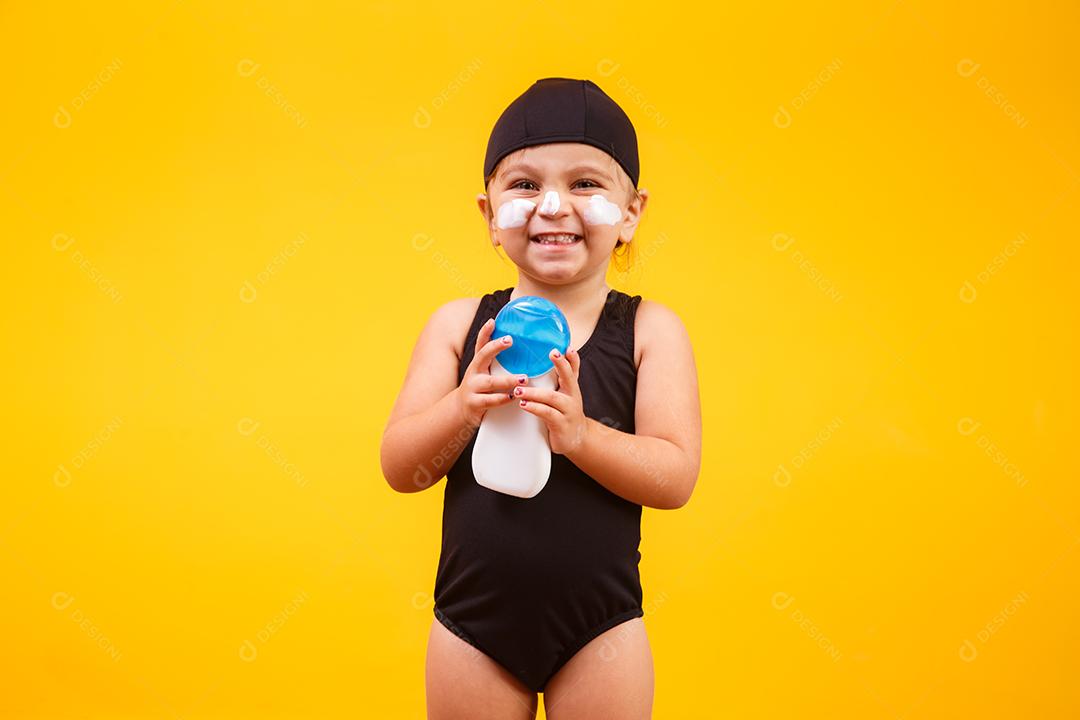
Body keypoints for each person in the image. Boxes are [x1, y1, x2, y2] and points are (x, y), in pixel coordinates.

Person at [381, 77, 702, 720]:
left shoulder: (650, 331)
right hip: (472, 627)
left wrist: (582, 438)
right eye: (525, 185)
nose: (553, 205)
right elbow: (399, 466)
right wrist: (462, 408)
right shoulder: (456, 326)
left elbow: (674, 477)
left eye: (585, 184)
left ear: (631, 212)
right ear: (489, 215)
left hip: (600, 631)